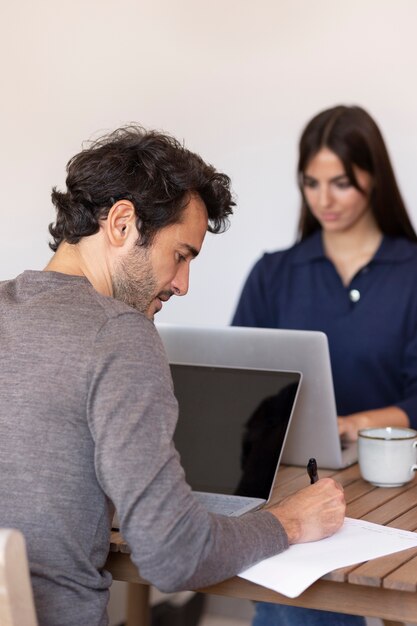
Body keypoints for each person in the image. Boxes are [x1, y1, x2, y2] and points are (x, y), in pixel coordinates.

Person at [0, 125, 345, 626]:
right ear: (122, 224)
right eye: (181, 255)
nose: (182, 284)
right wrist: (289, 521)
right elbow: (174, 555)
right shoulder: (121, 335)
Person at [232, 105, 417, 626]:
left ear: (373, 177)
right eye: (311, 183)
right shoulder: (275, 273)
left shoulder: (410, 273)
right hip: (296, 478)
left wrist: (355, 424)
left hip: (393, 484)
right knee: (294, 589)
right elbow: (240, 384)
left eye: (340, 182)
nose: (323, 199)